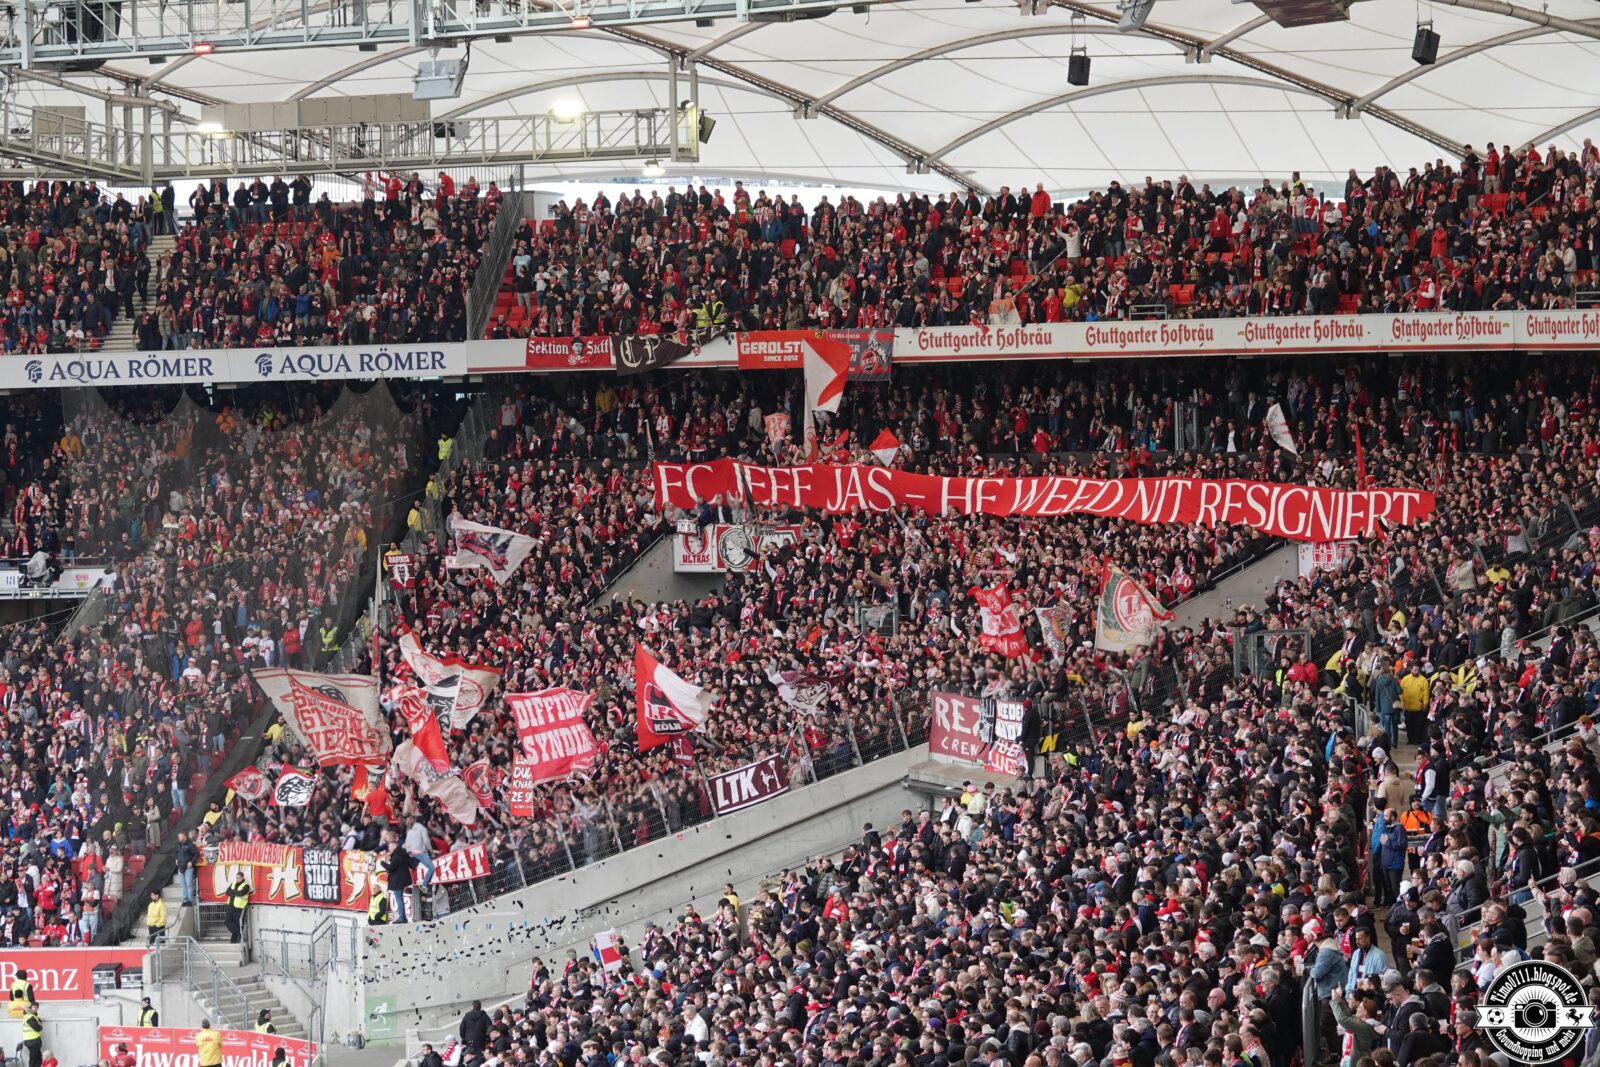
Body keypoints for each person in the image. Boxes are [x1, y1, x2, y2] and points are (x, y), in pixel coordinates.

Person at [225, 872, 252, 943]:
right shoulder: (233, 884)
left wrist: (232, 892)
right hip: (230, 907)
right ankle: (239, 934)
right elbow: (227, 892)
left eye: (239, 878)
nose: (237, 879)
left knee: (238, 924)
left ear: (243, 878)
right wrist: (236, 892)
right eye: (236, 878)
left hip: (239, 908)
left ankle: (234, 940)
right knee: (227, 922)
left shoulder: (246, 885)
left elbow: (241, 893)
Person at [175, 832, 201, 905]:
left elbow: (197, 854)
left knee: (189, 884)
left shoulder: (191, 845)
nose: (179, 838)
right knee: (183, 885)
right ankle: (185, 899)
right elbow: (176, 853)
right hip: (180, 867)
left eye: (180, 837)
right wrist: (176, 859)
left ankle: (190, 900)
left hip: (188, 867)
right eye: (178, 837)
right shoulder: (178, 845)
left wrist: (192, 862)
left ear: (184, 836)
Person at [21, 1001, 42, 1067]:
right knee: (34, 1058)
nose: (35, 1009)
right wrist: (40, 1025)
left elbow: (37, 1021)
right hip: (32, 1041)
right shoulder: (30, 1017)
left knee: (38, 1058)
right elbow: (37, 1028)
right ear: (30, 1008)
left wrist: (39, 1021)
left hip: (33, 1040)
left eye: (36, 1007)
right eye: (33, 1007)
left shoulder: (31, 1016)